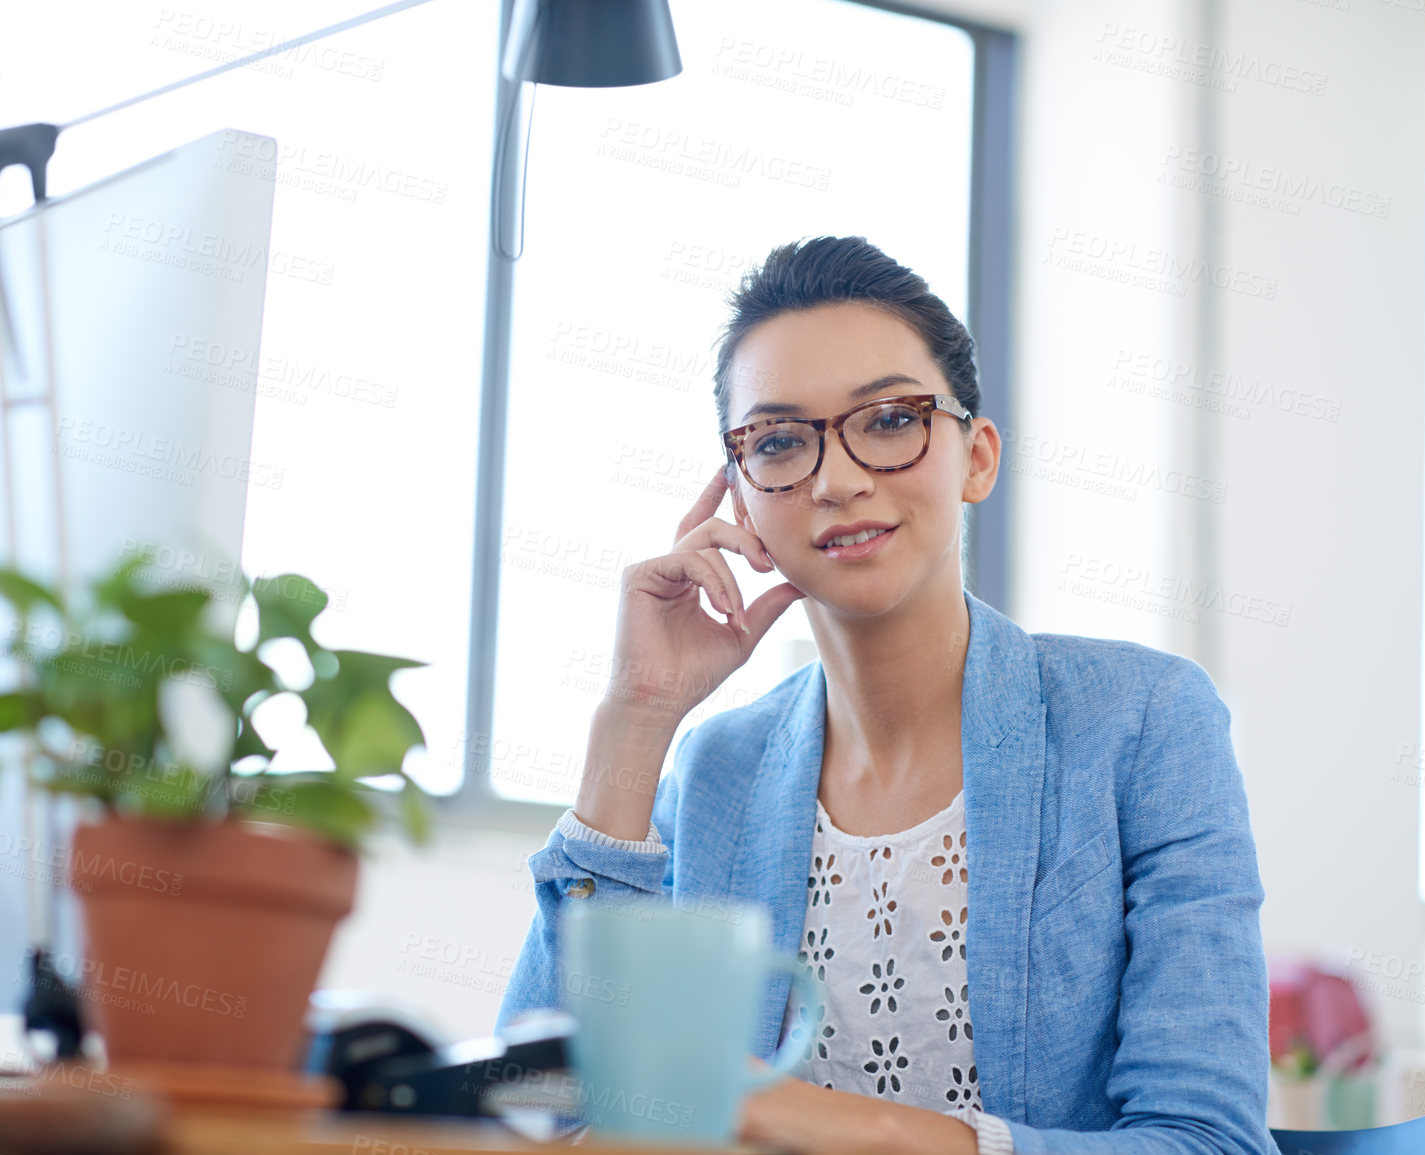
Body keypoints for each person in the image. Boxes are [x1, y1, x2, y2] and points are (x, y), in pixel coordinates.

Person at [496, 236, 1272, 1155]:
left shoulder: (1142, 721)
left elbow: (1208, 1144)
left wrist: (801, 1116)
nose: (837, 478)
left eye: (891, 419)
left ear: (976, 457)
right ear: (740, 498)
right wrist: (638, 715)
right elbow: (535, 1109)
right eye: (779, 440)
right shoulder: (719, 770)